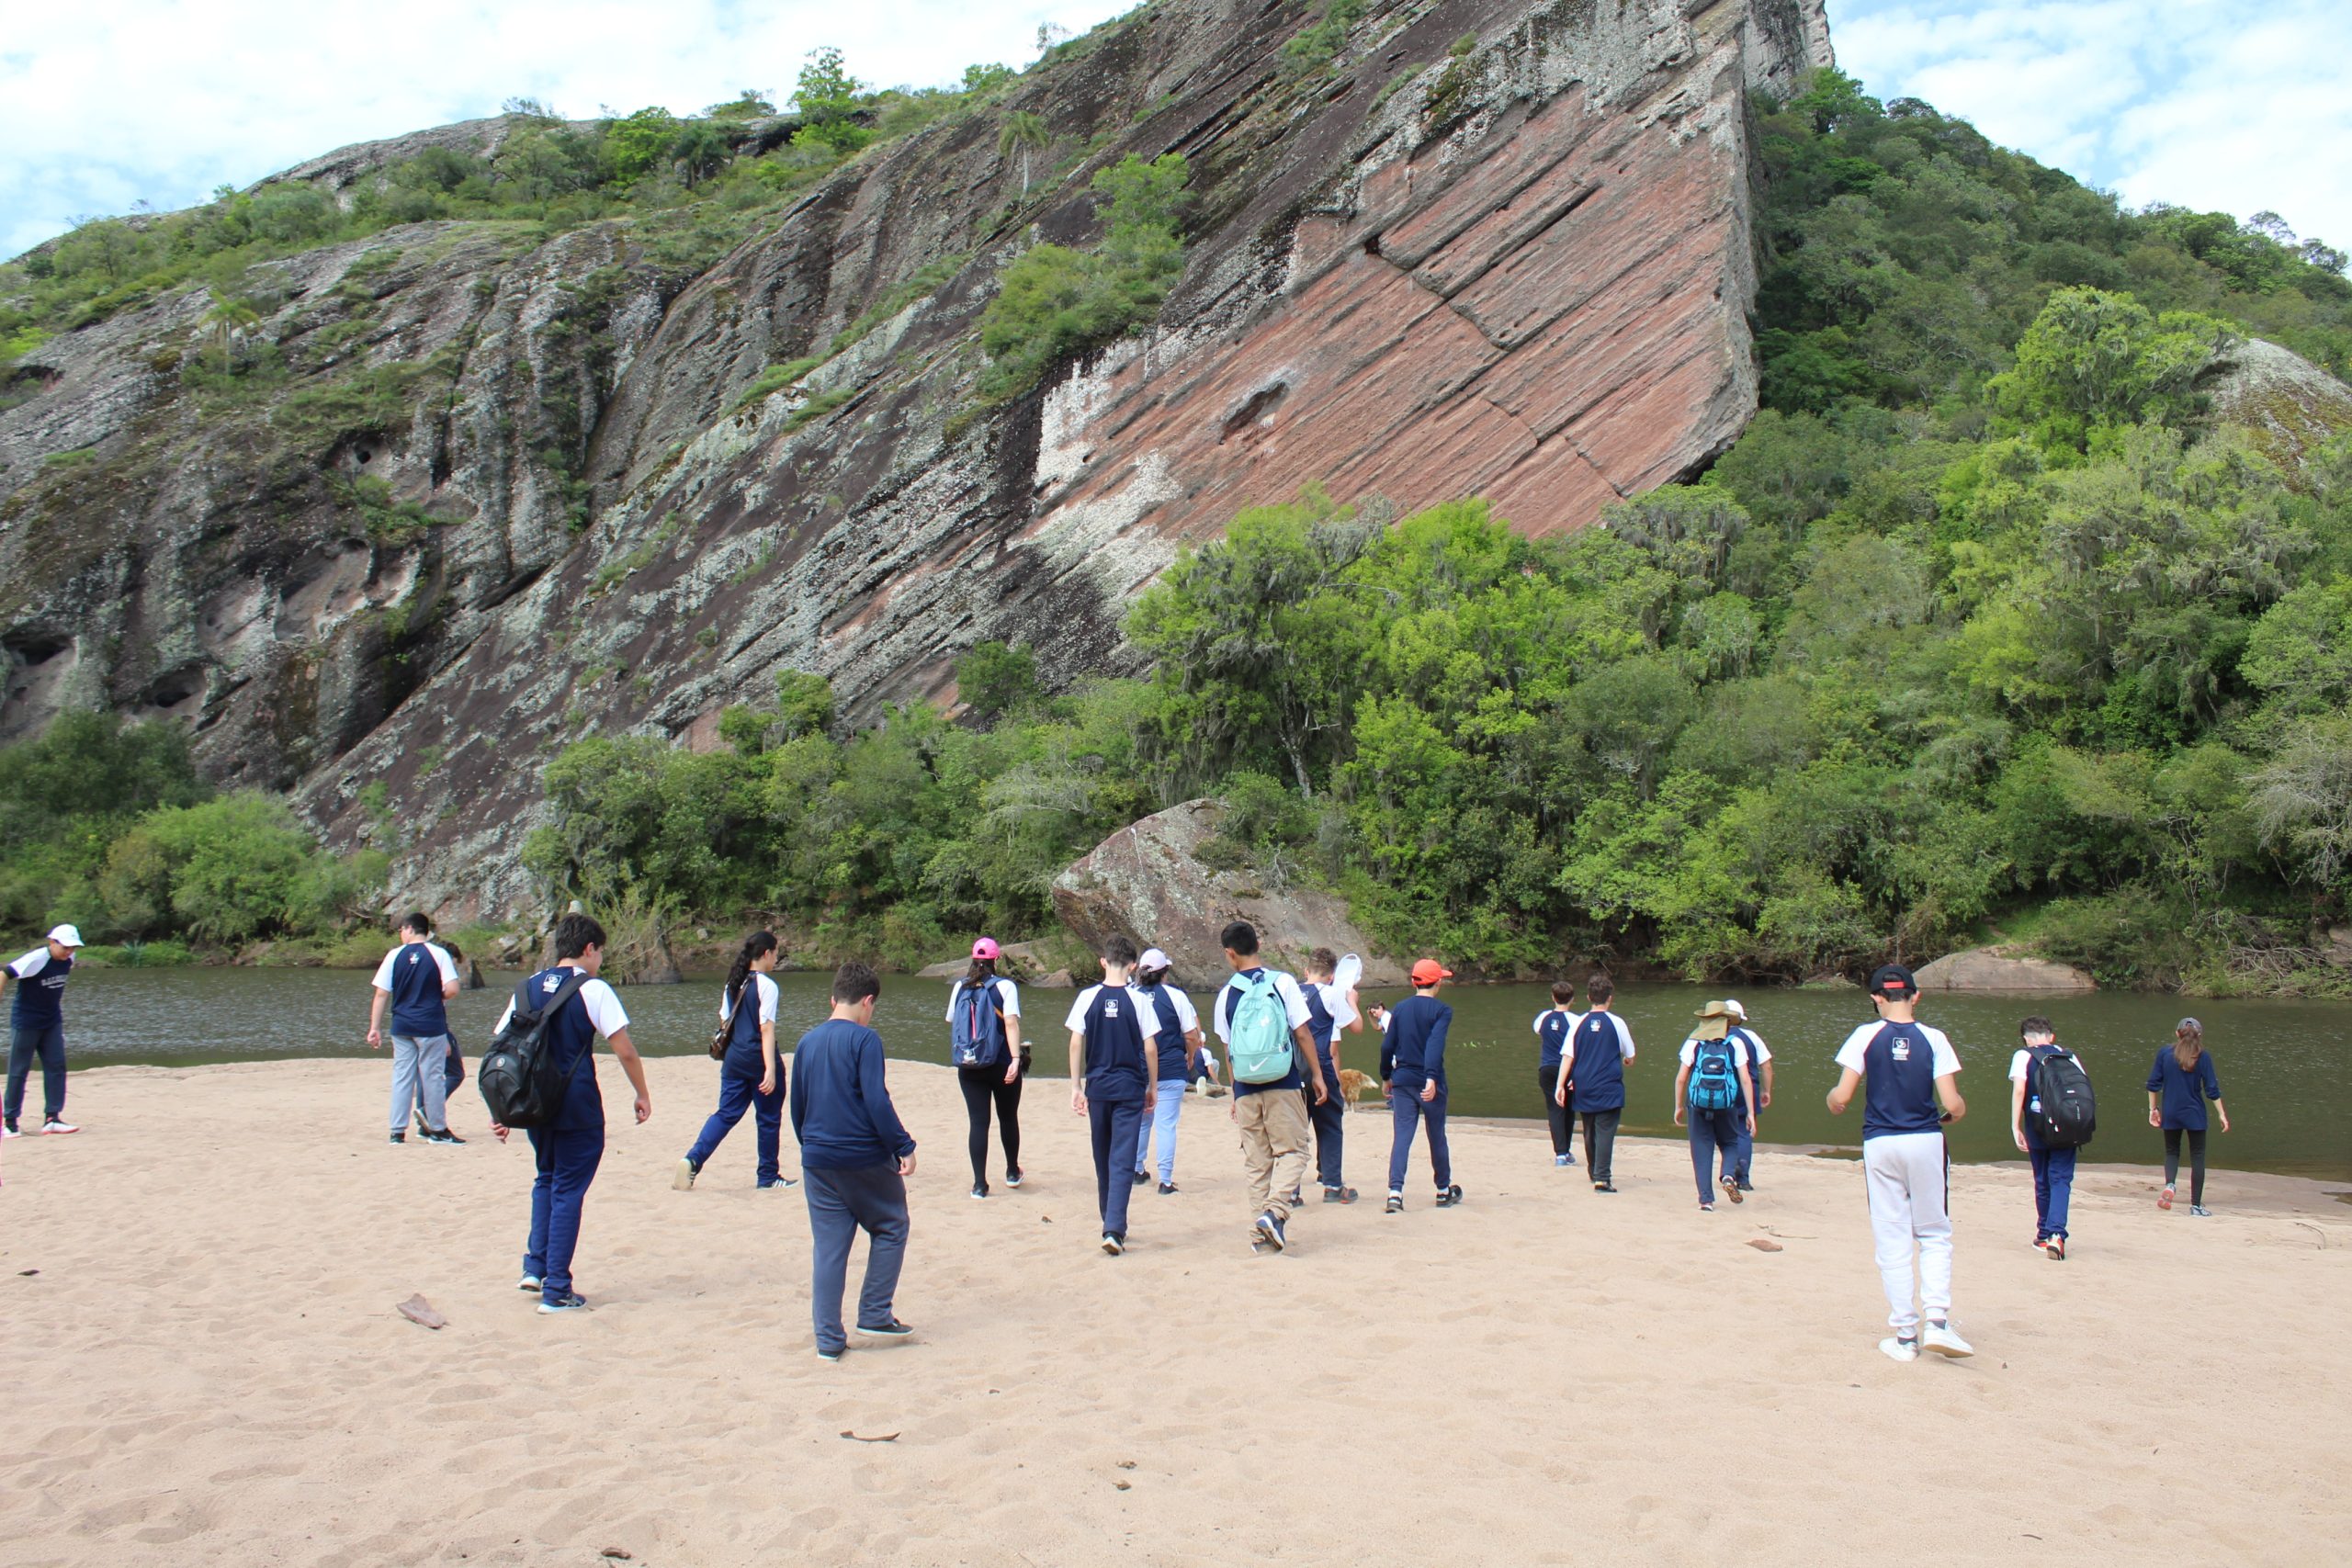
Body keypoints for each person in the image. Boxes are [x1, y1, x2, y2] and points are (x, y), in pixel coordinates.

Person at [490, 912, 651, 1314]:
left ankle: (535, 1267)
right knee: (568, 1189)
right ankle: (557, 1289)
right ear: (588, 949)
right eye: (600, 953)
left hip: (534, 1104)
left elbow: (502, 1050)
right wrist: (642, 1093)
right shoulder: (593, 989)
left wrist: (500, 1109)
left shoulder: (525, 989)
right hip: (576, 1103)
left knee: (546, 1178)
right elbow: (625, 1049)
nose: (600, 961)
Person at [1826, 964, 1972, 1363]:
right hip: (1926, 1140)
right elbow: (1952, 1102)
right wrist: (1956, 1114)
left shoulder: (1864, 1036)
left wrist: (1832, 1101)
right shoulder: (1934, 1038)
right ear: (1915, 996)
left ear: (1876, 997)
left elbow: (1842, 1097)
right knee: (1934, 1232)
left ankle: (1906, 1336)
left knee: (1891, 1236)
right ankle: (1938, 1322)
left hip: (1881, 1143)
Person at [791, 963, 917, 1360]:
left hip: (817, 1157)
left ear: (833, 1000)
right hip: (862, 1155)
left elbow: (797, 1106)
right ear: (867, 1001)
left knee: (829, 1248)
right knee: (892, 1224)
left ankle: (828, 1341)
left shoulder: (807, 1042)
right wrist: (903, 1145)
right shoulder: (865, 1041)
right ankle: (874, 1313)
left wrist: (810, 1146)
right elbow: (876, 1101)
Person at [1212, 920, 1329, 1254]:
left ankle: (1259, 1236)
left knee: (1257, 1160)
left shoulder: (1226, 995)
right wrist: (1318, 1075)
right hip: (1283, 1080)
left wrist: (1235, 1092)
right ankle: (1275, 1213)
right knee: (1294, 1150)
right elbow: (1303, 1033)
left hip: (1247, 1086)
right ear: (1259, 945)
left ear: (1229, 954)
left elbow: (1228, 1047)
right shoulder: (1284, 983)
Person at [675, 931, 796, 1191]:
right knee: (768, 1117)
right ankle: (767, 1176)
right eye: (775, 954)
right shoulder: (766, 986)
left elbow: (724, 1020)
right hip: (757, 1059)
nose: (775, 959)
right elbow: (766, 1029)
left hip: (733, 1060)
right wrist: (771, 1069)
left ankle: (693, 1159)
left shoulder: (733, 982)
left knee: (726, 1113)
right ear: (766, 954)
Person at [1066, 936, 1164, 1255]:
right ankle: (1113, 1226)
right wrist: (1153, 1086)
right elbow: (1150, 1048)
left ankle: (1110, 1221)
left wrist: (1076, 1086)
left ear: (1103, 962)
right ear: (1134, 966)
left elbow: (1075, 1042)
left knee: (1102, 1156)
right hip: (1129, 1087)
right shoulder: (1139, 1001)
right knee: (1122, 1157)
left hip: (1099, 1087)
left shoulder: (1087, 997)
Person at [367, 912, 463, 1146]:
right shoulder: (438, 954)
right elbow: (452, 989)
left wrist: (374, 1027)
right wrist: (435, 996)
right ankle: (437, 1129)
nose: (401, 934)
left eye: (401, 930)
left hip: (401, 1025)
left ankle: (397, 1131)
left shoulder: (394, 956)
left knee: (402, 1077)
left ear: (410, 929)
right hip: (430, 1025)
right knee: (432, 1077)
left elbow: (381, 992)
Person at [1375, 959, 1458, 1213]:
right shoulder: (1442, 1010)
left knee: (1402, 1136)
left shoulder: (1400, 1008)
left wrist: (1386, 1075)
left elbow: (1388, 1045)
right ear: (1439, 982)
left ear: (1414, 982)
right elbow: (1435, 1044)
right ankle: (1443, 1191)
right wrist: (1432, 1077)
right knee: (1436, 1135)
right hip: (1428, 1081)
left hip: (1402, 1080)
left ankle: (1395, 1194)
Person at [947, 939, 1026, 1199]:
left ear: (972, 959)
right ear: (997, 959)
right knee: (1007, 1117)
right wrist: (1016, 1059)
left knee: (978, 1123)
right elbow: (1011, 1023)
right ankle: (1012, 1172)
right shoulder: (1005, 987)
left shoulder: (960, 986)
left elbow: (952, 1021)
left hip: (969, 1065)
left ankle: (979, 1185)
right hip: (1001, 1063)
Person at [1130, 947, 1204, 1196]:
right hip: (1171, 1068)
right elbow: (1191, 1034)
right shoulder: (1176, 996)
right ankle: (1166, 1180)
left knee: (1141, 1121)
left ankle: (1137, 1170)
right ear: (1165, 973)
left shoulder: (1130, 994)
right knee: (1166, 1125)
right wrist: (1191, 1056)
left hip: (1137, 1069)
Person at [1554, 973, 1634, 1191]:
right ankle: (1602, 1177)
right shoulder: (1617, 1023)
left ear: (1589, 997)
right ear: (1610, 998)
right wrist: (1627, 1060)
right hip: (1609, 1085)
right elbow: (1630, 1054)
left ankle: (1593, 1171)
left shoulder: (1578, 1023)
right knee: (1606, 1130)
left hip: (1584, 1084)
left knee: (1589, 1128)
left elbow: (1568, 1056)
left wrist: (1560, 1085)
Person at [1673, 1002, 1757, 1211]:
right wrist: (1751, 1113)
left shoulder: (1694, 1042)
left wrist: (1678, 1106)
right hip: (1726, 1105)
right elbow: (1746, 1080)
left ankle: (1706, 1200)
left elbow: (1682, 1078)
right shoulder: (1735, 1044)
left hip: (1698, 1105)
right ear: (1727, 1023)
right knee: (1730, 1143)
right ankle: (1728, 1175)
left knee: (1701, 1150)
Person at [3, 923, 84, 1137]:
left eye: (72, 948)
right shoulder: (36, 959)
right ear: (52, 942)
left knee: (56, 1066)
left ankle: (52, 1118)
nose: (69, 952)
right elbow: (5, 972)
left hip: (51, 1021)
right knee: (18, 1071)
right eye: (65, 947)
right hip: (26, 1022)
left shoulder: (69, 960)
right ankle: (10, 1122)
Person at [2009, 1015, 2078, 1258]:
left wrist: (2015, 1125)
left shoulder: (2023, 1056)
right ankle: (2057, 1235)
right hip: (2068, 1127)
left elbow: (2019, 1090)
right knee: (2060, 1179)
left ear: (2027, 1039)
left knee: (2042, 1180)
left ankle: (2043, 1234)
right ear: (2051, 1037)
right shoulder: (2068, 1055)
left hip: (2038, 1127)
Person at [2146, 1018, 2230, 1217]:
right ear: (2199, 1036)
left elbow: (2153, 1084)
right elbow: (2212, 1090)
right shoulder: (2203, 1056)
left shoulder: (2165, 1054)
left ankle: (2171, 1185)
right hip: (2195, 1114)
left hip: (2171, 1112)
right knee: (2197, 1157)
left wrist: (2153, 1110)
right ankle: (2196, 1206)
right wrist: (2222, 1114)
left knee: (2172, 1151)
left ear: (2177, 1033)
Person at [1301, 948, 1363, 1203]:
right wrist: (1352, 1001)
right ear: (1332, 975)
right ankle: (1333, 1185)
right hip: (1321, 1067)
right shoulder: (1331, 993)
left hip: (1292, 1068)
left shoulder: (1289, 990)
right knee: (1330, 1126)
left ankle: (1291, 1191)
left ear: (1306, 971)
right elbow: (1357, 1027)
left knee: (1295, 1130)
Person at [1724, 998, 1772, 1190]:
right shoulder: (1751, 1036)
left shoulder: (1711, 1035)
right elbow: (1766, 1065)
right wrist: (1766, 1091)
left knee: (1722, 1133)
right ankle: (1742, 1179)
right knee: (1743, 1133)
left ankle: (1726, 1173)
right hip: (1746, 1092)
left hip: (1719, 1092)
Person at [1533, 980, 1578, 1167]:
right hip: (1566, 1070)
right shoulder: (1576, 1020)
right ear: (1572, 1000)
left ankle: (1561, 1153)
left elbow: (1538, 1031)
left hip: (1546, 1069)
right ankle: (1564, 1151)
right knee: (1568, 1110)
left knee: (1554, 1109)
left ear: (1553, 997)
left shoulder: (1543, 1017)